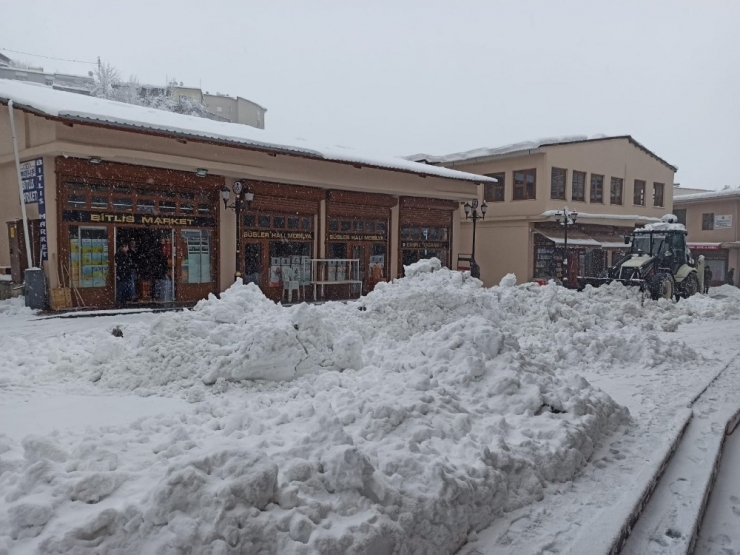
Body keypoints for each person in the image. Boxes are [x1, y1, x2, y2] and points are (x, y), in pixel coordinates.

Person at [115, 242, 134, 307]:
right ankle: (121, 300)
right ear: (123, 247)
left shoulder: (126, 254)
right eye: (126, 247)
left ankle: (124, 300)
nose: (128, 249)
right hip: (122, 274)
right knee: (121, 287)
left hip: (125, 273)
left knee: (125, 287)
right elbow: (122, 264)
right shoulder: (120, 255)